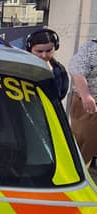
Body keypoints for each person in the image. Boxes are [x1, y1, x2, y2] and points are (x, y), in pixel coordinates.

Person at [68, 38, 97, 168]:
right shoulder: (91, 48)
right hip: (90, 107)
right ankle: (75, 175)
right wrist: (85, 96)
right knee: (83, 147)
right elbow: (77, 72)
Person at [25, 28, 69, 101]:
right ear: (30, 49)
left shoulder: (60, 70)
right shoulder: (21, 68)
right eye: (39, 51)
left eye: (48, 51)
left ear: (56, 47)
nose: (44, 55)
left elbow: (61, 94)